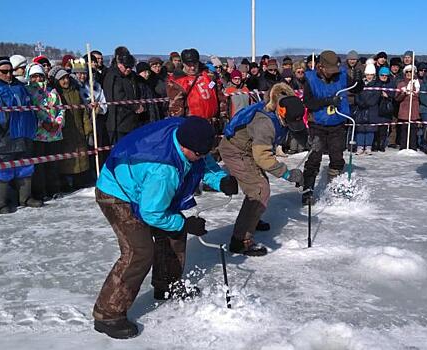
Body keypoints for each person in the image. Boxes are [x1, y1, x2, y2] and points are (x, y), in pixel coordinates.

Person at [92, 116, 238, 339]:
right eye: (199, 153)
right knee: (139, 252)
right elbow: (152, 213)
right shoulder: (164, 171)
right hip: (116, 192)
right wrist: (185, 223)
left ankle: (167, 284)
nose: (202, 157)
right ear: (184, 146)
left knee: (173, 232)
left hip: (142, 185)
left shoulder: (187, 132)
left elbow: (201, 160)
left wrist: (220, 180)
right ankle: (107, 314)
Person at [218, 83, 305, 256]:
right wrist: (287, 174)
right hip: (236, 150)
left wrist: (309, 142)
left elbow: (293, 127)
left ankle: (252, 219)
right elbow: (262, 157)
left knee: (260, 187)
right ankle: (240, 240)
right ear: (281, 112)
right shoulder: (265, 122)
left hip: (249, 149)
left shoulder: (281, 105)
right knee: (259, 190)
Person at [302, 50, 363, 205]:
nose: (332, 74)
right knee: (314, 158)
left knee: (337, 158)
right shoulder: (310, 79)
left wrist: (359, 81)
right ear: (321, 67)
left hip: (338, 123)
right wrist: (328, 101)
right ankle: (307, 191)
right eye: (329, 71)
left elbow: (356, 89)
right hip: (317, 124)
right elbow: (308, 103)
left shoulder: (342, 75)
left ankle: (332, 189)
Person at [0, 57, 41, 213]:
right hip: (2, 137)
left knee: (25, 167)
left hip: (23, 133)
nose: (9, 75)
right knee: (2, 170)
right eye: (4, 72)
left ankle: (25, 197)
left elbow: (30, 106)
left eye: (11, 71)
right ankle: (2, 203)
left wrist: (33, 125)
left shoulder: (19, 86)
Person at [25, 63, 65, 201]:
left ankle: (54, 188)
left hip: (54, 134)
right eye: (34, 76)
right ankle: (40, 191)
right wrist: (44, 122)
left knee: (53, 163)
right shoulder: (28, 91)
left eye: (40, 76)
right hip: (39, 134)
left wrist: (58, 123)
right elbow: (32, 110)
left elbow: (60, 108)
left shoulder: (52, 91)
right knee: (39, 166)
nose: (37, 79)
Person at [49, 66, 93, 191]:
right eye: (62, 79)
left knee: (81, 155)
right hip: (65, 129)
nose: (66, 81)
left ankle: (80, 180)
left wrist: (87, 126)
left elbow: (83, 111)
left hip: (78, 128)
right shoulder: (57, 94)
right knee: (67, 158)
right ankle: (66, 182)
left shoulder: (75, 92)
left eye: (67, 78)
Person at [166, 48, 221, 119]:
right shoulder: (177, 82)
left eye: (195, 64)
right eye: (189, 65)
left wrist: (223, 114)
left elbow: (220, 96)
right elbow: (175, 108)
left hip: (213, 122)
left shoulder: (209, 75)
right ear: (183, 64)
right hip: (192, 124)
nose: (192, 68)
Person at [103, 54, 143, 144]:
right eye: (126, 66)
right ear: (119, 64)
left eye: (131, 67)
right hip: (118, 122)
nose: (128, 69)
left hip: (130, 121)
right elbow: (118, 96)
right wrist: (135, 106)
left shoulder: (131, 76)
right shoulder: (113, 77)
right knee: (120, 151)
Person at [395, 64, 420, 150]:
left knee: (413, 129)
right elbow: (397, 98)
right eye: (407, 72)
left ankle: (413, 147)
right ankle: (403, 147)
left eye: (411, 72)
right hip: (404, 109)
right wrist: (403, 94)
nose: (409, 73)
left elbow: (420, 95)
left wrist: (415, 93)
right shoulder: (401, 84)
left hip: (414, 109)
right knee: (404, 129)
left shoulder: (418, 84)